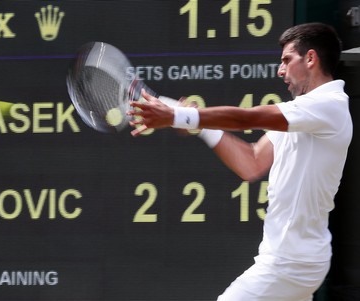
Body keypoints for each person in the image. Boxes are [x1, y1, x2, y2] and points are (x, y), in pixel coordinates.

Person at [129, 23, 352, 301]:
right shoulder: (304, 113)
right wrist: (201, 126)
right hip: (295, 261)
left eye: (286, 60)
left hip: (290, 263)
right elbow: (252, 162)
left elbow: (248, 118)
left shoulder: (327, 104)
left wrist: (179, 116)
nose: (280, 70)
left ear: (310, 58)